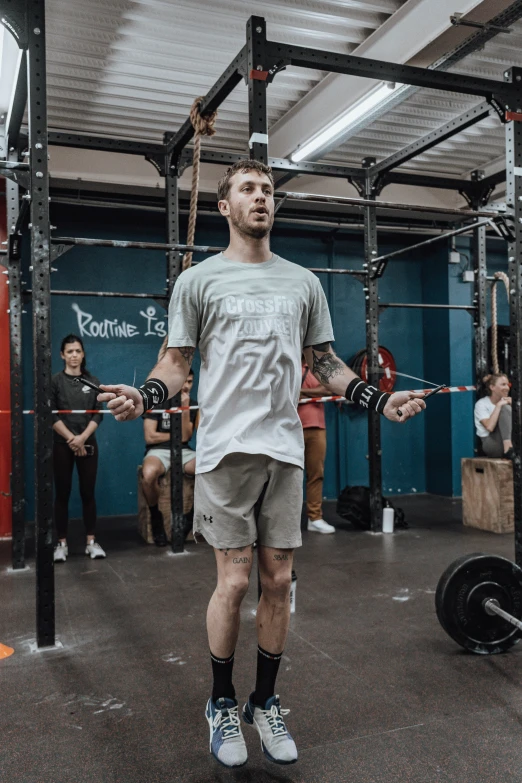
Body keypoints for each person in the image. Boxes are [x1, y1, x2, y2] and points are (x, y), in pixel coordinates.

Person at [98, 160, 426, 769]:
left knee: (278, 581)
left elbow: (325, 365)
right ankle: (221, 702)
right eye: (248, 189)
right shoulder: (198, 282)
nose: (261, 197)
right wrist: (142, 397)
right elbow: (174, 365)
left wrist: (380, 399)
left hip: (285, 449)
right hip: (223, 452)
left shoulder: (303, 283)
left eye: (268, 190)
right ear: (224, 206)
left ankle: (264, 701)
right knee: (235, 581)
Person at [52, 334, 106, 562]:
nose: (74, 355)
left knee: (88, 493)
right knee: (62, 494)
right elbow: (51, 414)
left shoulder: (92, 381)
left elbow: (97, 414)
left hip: (87, 443)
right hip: (62, 445)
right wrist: (72, 440)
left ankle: (91, 542)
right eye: (70, 351)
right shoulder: (55, 382)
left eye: (78, 351)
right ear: (62, 355)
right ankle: (61, 543)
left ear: (83, 354)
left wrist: (82, 438)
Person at [142, 368, 197, 546]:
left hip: (184, 451)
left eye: (190, 382)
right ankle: (155, 516)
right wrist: (176, 436)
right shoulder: (158, 402)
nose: (186, 386)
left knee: (209, 470)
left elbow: (186, 437)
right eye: (184, 381)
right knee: (149, 474)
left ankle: (191, 516)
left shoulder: (193, 404)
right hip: (159, 450)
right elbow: (150, 436)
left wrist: (185, 408)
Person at [298, 358, 335, 534]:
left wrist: (301, 392)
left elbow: (328, 389)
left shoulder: (318, 367)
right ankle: (283, 522)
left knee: (316, 474)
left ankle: (315, 518)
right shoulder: (287, 363)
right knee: (285, 477)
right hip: (291, 428)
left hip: (317, 427)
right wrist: (314, 393)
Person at [474, 373, 513, 459]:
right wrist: (499, 405)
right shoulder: (481, 404)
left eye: (508, 384)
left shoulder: (507, 401)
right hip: (490, 443)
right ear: (492, 387)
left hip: (506, 439)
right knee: (505, 408)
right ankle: (508, 449)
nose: (507, 388)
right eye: (503, 384)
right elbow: (489, 427)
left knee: (508, 408)